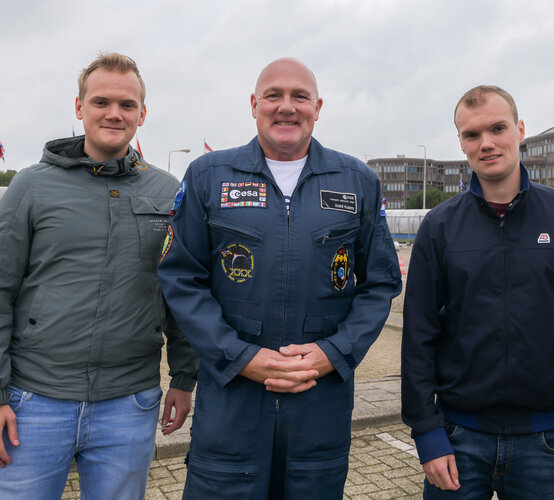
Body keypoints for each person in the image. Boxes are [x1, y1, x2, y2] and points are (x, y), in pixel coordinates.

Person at [158, 57, 402, 499]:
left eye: (299, 96)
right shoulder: (209, 177)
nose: (286, 107)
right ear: (254, 104)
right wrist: (238, 357)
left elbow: (379, 283)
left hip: (319, 398)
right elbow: (181, 278)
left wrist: (334, 353)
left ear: (318, 106)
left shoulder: (356, 181)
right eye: (273, 95)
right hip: (232, 400)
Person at [0, 52, 198, 499]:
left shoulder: (168, 193)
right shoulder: (30, 188)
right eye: (101, 102)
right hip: (32, 405)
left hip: (129, 405)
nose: (114, 113)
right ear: (79, 108)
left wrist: (185, 377)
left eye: (127, 105)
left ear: (142, 114)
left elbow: (179, 293)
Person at [401, 85, 554, 499]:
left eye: (497, 128)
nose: (486, 143)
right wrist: (426, 431)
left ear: (519, 129)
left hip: (547, 442)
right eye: (471, 134)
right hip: (457, 439)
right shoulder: (439, 227)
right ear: (462, 143)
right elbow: (418, 338)